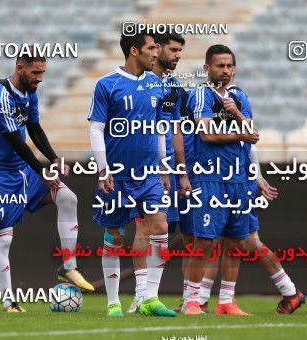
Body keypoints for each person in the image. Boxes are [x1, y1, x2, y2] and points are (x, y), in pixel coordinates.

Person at [0, 54, 94, 313]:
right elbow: (16, 142)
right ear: (20, 67)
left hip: (21, 169)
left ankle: (69, 267)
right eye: (35, 72)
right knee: (2, 241)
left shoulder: (30, 92)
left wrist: (53, 160)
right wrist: (42, 171)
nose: (40, 78)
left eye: (43, 72)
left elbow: (34, 128)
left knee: (67, 198)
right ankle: (9, 303)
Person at [88, 31, 176, 317]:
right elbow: (96, 128)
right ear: (135, 51)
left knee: (160, 227)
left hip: (149, 173)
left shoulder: (157, 84)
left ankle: (149, 297)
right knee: (114, 234)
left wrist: (163, 166)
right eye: (152, 48)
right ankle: (113, 302)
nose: (156, 53)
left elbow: (161, 127)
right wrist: (103, 169)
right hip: (117, 174)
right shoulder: (106, 84)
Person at [182, 44, 259, 315]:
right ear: (207, 68)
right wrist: (240, 132)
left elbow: (253, 133)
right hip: (209, 178)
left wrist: (237, 115)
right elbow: (207, 135)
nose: (224, 71)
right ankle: (191, 301)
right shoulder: (201, 96)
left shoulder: (240, 97)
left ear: (234, 69)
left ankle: (226, 301)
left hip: (238, 178)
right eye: (219, 66)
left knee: (235, 241)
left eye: (228, 66)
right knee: (203, 241)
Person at [126, 32, 192, 313]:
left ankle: (152, 296)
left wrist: (181, 170)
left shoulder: (173, 86)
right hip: (139, 165)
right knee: (143, 226)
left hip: (167, 168)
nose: (177, 55)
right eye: (173, 50)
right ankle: (140, 296)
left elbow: (174, 128)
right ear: (156, 50)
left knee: (163, 229)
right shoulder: (139, 81)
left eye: (181, 51)